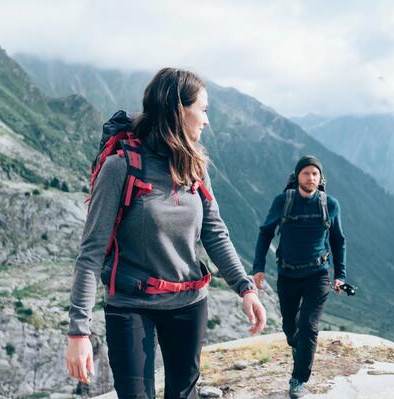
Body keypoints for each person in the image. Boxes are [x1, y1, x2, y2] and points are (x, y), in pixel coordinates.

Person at [65, 68, 266, 399]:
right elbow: (91, 254)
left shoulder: (195, 166)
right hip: (131, 304)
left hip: (188, 302)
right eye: (203, 109)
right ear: (178, 109)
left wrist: (246, 289)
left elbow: (214, 232)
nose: (207, 120)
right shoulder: (120, 167)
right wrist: (78, 333)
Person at [252, 155, 346, 399]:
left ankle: (298, 380)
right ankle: (299, 347)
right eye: (306, 173)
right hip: (288, 274)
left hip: (318, 274)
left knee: (308, 326)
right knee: (290, 328)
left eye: (315, 174)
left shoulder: (330, 204)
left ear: (320, 178)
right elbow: (265, 234)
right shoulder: (283, 202)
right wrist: (258, 267)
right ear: (297, 177)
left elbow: (338, 240)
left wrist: (340, 275)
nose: (311, 178)